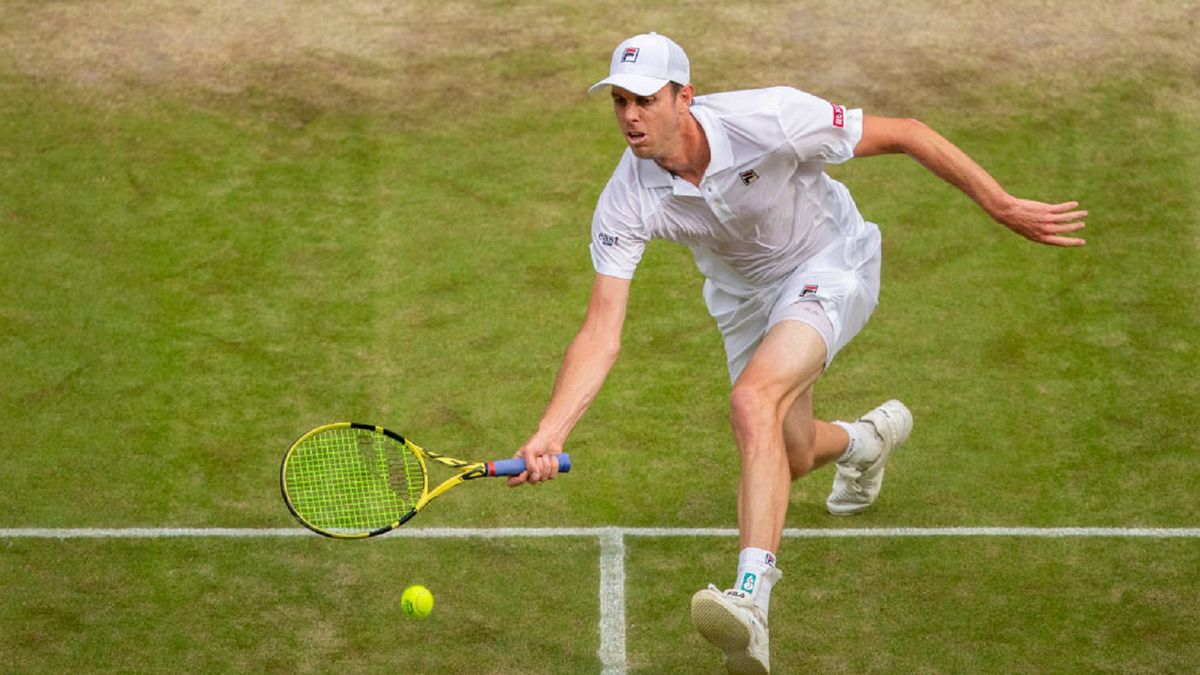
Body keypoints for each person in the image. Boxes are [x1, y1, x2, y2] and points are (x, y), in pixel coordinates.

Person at [507, 32, 1087, 674]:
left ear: (684, 97)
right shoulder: (626, 197)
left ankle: (751, 600)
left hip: (830, 262)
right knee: (791, 453)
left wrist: (1001, 204)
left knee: (752, 399)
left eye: (645, 100)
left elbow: (909, 132)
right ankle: (865, 442)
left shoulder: (772, 118)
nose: (630, 117)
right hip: (744, 302)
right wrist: (551, 429)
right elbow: (601, 329)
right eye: (619, 101)